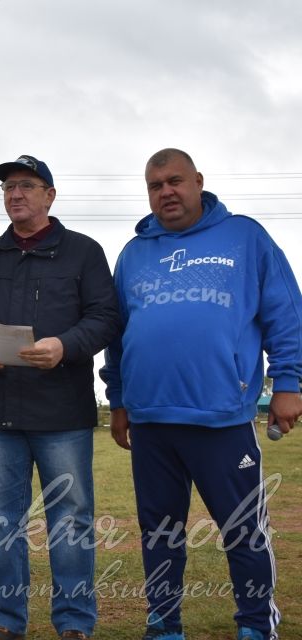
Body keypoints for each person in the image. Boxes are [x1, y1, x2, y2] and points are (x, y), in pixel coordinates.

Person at [101, 148, 302, 640]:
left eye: (174, 181)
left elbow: (285, 313)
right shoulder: (133, 254)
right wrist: (121, 400)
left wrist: (290, 383)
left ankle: (256, 626)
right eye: (154, 185)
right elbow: (117, 334)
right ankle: (164, 625)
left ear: (198, 182)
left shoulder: (245, 237)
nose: (166, 192)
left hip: (222, 419)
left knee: (243, 532)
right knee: (160, 534)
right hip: (150, 421)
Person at [0, 155, 120, 640]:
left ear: (50, 195)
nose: (15, 194)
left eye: (26, 185)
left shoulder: (83, 253)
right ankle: (7, 622)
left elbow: (106, 317)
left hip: (62, 413)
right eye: (7, 188)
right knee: (2, 520)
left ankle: (73, 623)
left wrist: (66, 345)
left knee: (71, 519)